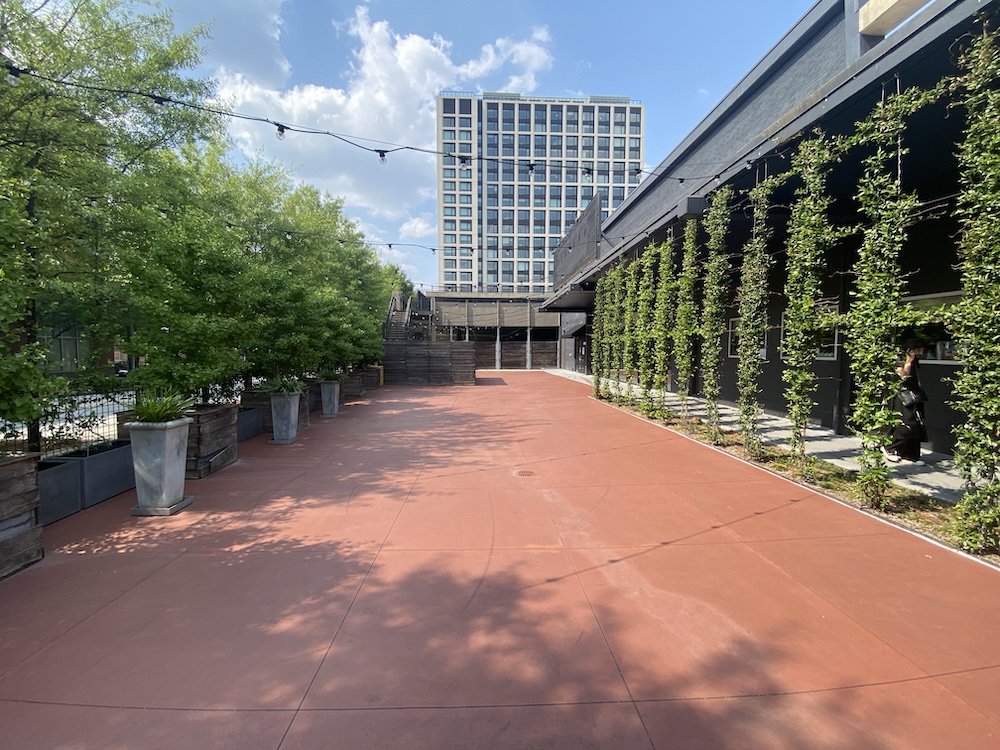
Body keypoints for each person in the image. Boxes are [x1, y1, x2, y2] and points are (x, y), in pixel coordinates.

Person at [884, 338, 927, 465]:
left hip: (915, 395)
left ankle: (911, 455)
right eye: (917, 350)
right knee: (906, 424)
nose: (920, 353)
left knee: (917, 424)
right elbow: (902, 376)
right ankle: (891, 449)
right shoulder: (900, 360)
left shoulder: (916, 361)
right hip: (903, 396)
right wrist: (908, 362)